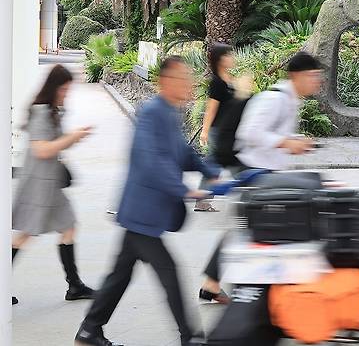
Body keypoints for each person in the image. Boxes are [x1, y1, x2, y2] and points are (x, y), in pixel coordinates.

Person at [75, 56, 219, 346]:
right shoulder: (152, 112)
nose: (188, 83)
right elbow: (151, 160)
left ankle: (90, 330)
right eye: (182, 78)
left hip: (144, 215)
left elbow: (181, 151)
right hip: (143, 213)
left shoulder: (170, 112)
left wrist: (209, 170)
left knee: (120, 276)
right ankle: (191, 337)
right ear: (165, 82)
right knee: (169, 273)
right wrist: (185, 190)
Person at [197, 51, 323, 304]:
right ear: (296, 76)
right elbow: (250, 132)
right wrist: (286, 141)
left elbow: (272, 136)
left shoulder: (290, 99)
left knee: (250, 230)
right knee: (259, 230)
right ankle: (261, 290)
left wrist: (296, 143)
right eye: (313, 76)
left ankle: (216, 284)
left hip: (266, 175)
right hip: (253, 172)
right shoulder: (274, 98)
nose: (317, 82)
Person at [12, 64, 94, 305]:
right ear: (54, 87)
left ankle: (75, 285)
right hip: (39, 186)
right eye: (64, 89)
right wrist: (72, 138)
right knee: (25, 235)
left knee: (68, 227)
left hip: (51, 185)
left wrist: (73, 137)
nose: (66, 94)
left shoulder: (51, 110)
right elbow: (42, 149)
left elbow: (54, 145)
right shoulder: (40, 111)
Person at [195, 43, 236, 212]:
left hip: (228, 131)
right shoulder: (217, 82)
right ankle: (202, 200)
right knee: (215, 163)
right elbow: (211, 107)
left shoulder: (228, 80)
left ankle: (203, 199)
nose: (232, 58)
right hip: (218, 131)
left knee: (223, 162)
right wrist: (204, 131)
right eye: (228, 55)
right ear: (220, 60)